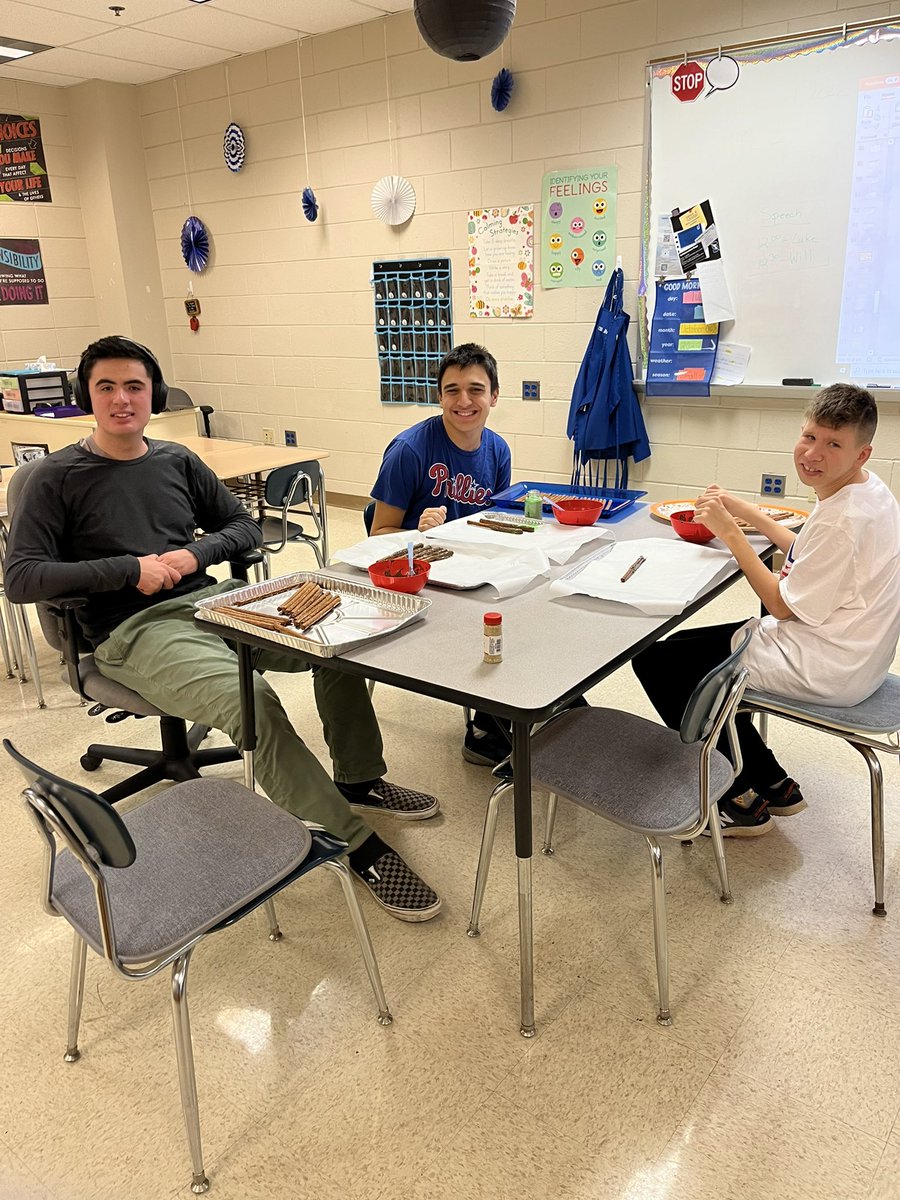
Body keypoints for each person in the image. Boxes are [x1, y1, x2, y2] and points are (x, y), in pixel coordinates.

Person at [4, 335, 442, 921]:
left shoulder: (175, 460)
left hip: (213, 600)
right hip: (132, 629)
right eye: (106, 387)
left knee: (339, 645)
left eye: (134, 386)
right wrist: (129, 570)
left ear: (154, 394)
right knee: (251, 699)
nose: (121, 399)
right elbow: (22, 579)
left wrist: (194, 554)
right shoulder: (54, 477)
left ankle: (359, 779)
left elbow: (244, 528)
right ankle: (351, 841)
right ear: (87, 396)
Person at [633, 383, 900, 837]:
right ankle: (774, 782)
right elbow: (806, 551)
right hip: (857, 653)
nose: (812, 454)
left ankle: (738, 800)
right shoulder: (866, 490)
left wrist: (731, 533)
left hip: (826, 665)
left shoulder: (843, 519)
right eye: (809, 436)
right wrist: (744, 509)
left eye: (833, 444)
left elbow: (780, 605)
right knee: (685, 650)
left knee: (659, 663)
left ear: (862, 453)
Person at [369, 342, 513, 766]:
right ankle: (487, 731)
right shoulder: (410, 450)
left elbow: (492, 523)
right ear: (440, 397)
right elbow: (378, 535)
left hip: (470, 570)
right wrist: (417, 530)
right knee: (501, 619)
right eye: (452, 390)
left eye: (476, 390)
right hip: (422, 580)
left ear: (494, 396)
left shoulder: (498, 450)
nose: (464, 401)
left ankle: (535, 713)